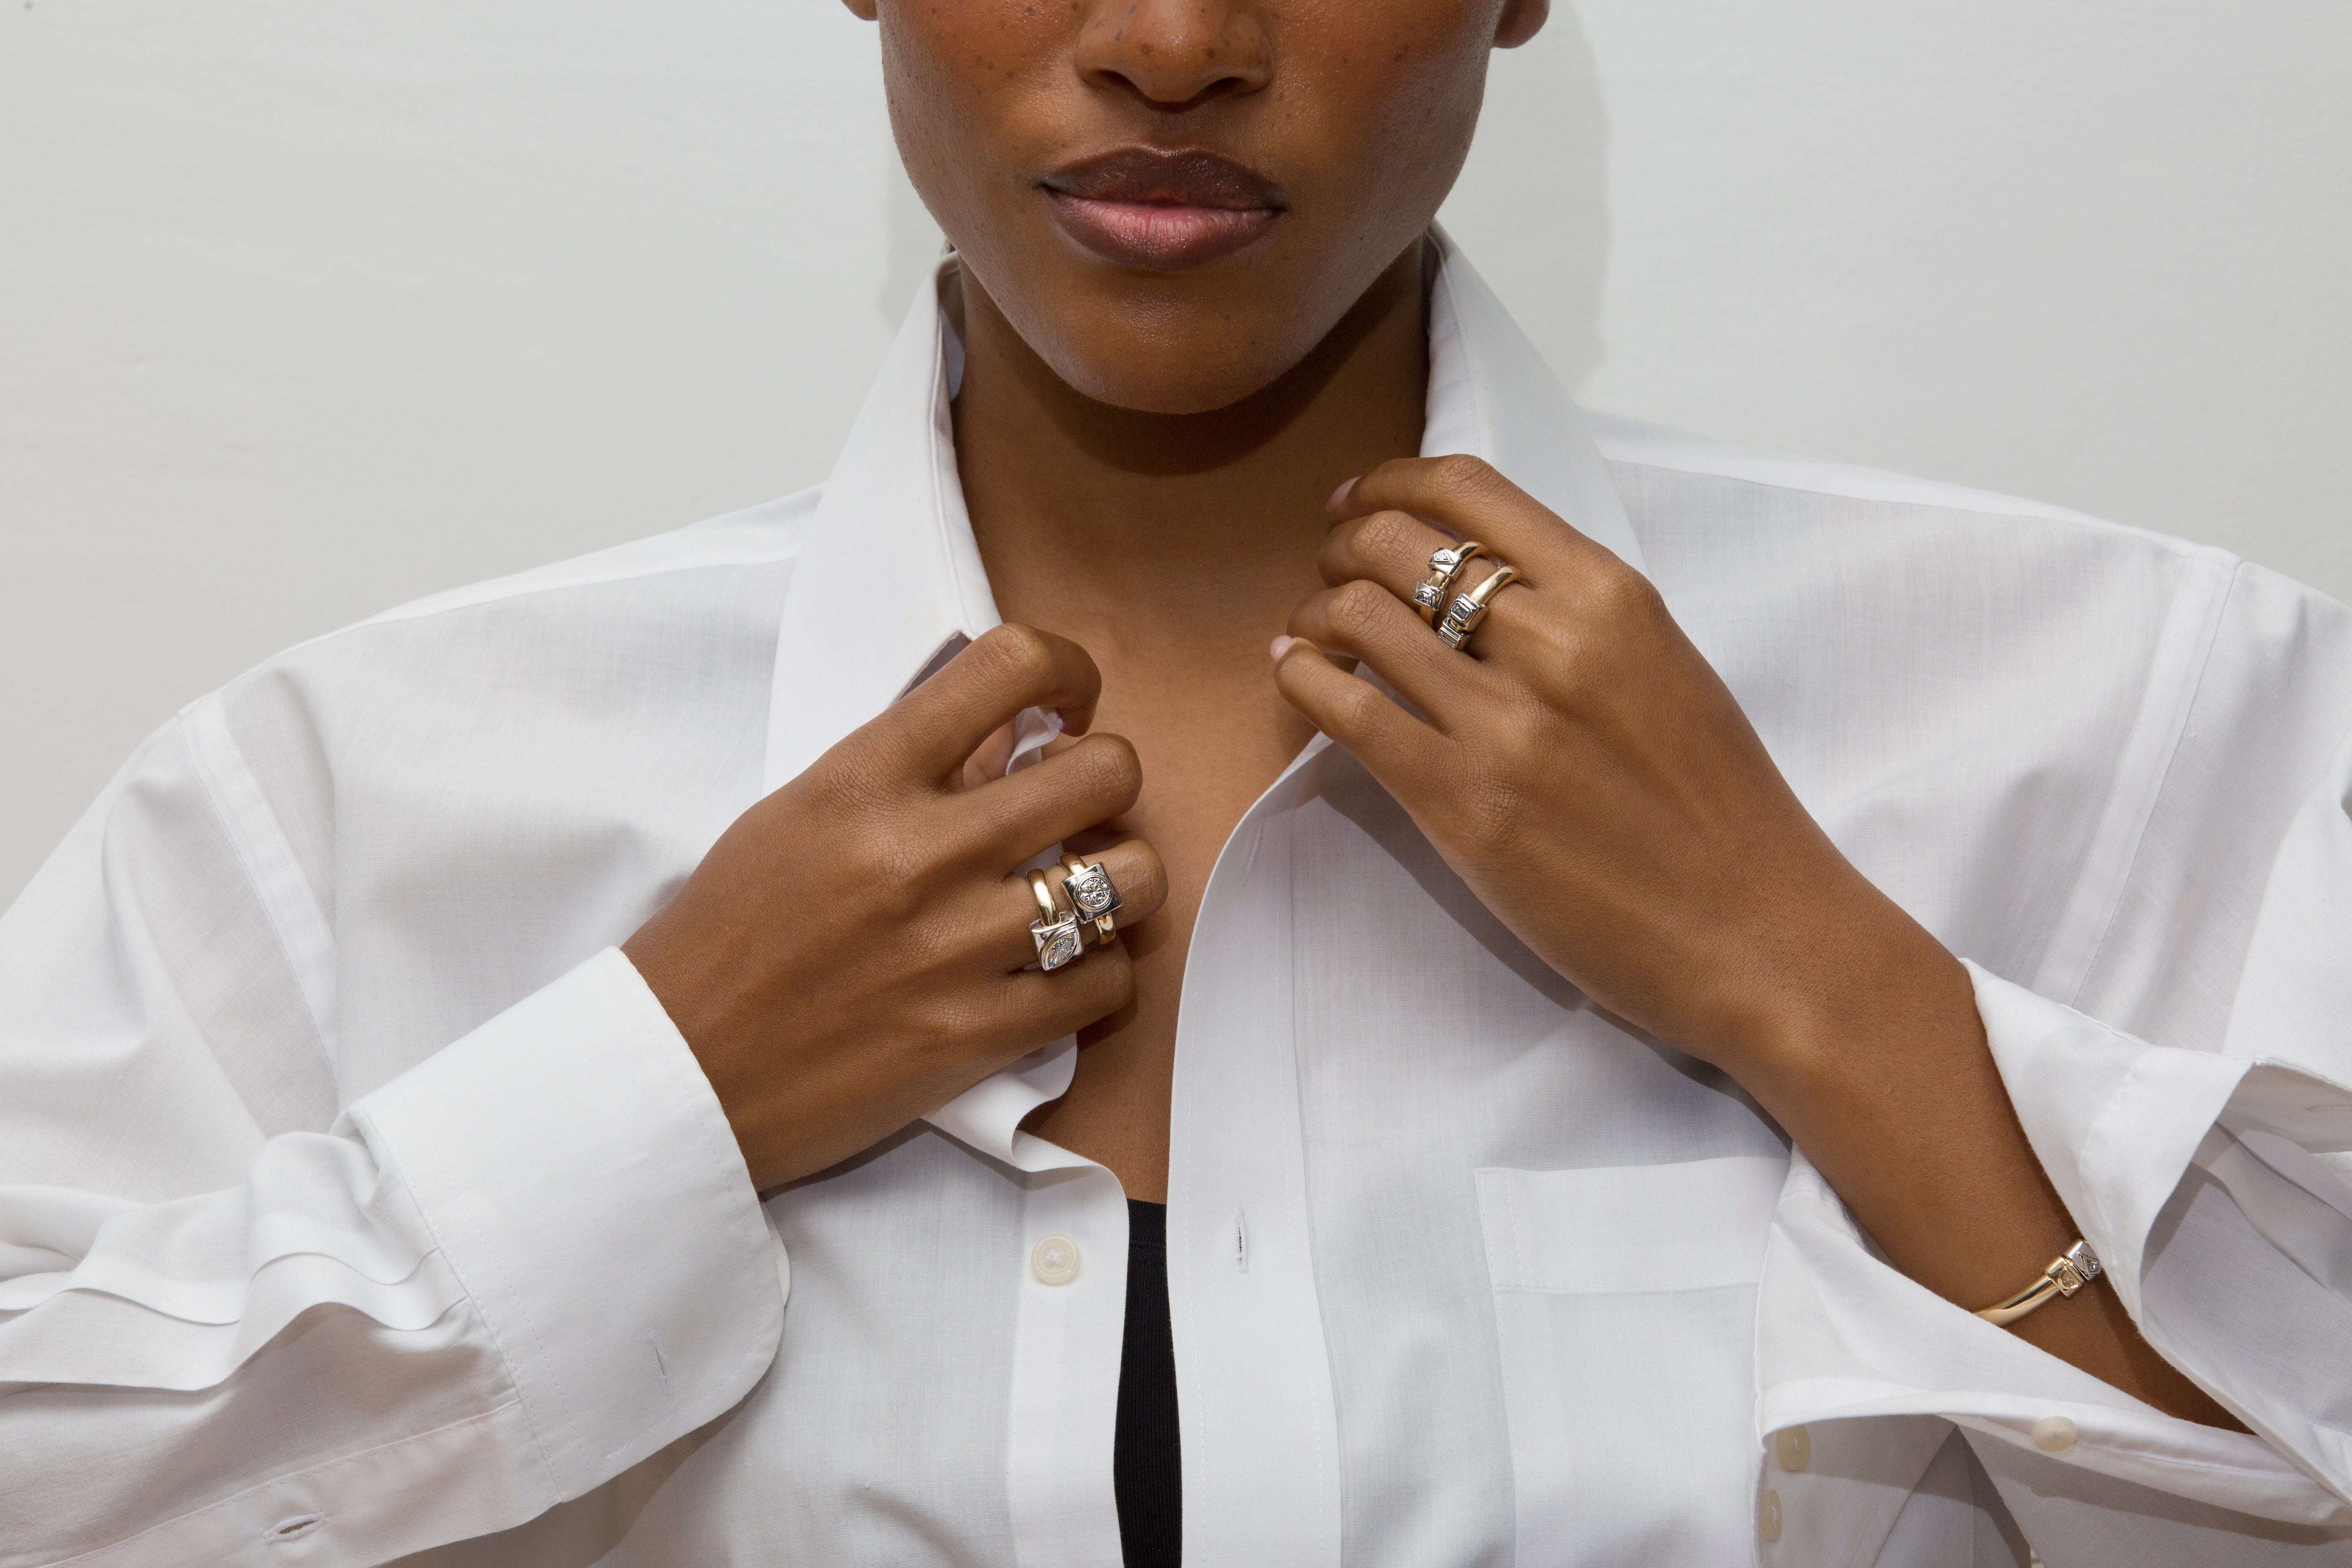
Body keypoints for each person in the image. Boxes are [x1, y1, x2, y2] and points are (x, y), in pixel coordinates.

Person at [5, 0, 2351, 1562]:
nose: (1171, 39)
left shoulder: (2148, 723)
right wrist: (658, 1095)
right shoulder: (344, 812)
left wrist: (1820, 987)